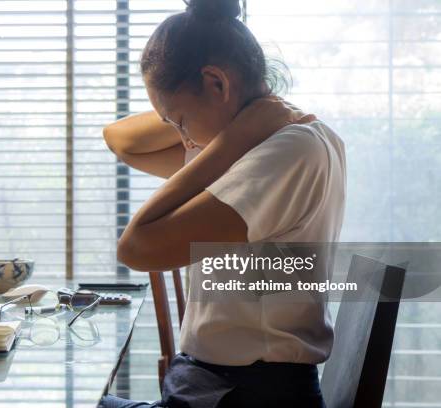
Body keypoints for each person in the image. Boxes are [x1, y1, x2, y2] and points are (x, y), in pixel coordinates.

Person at [100, 0, 345, 406]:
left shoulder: (285, 152)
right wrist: (224, 130)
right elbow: (119, 139)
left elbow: (135, 247)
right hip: (220, 388)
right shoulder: (263, 143)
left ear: (216, 83)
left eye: (178, 122)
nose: (184, 139)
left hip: (248, 395)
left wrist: (232, 139)